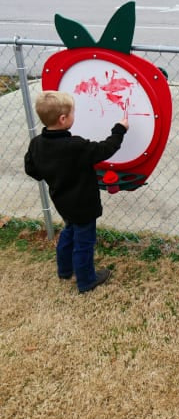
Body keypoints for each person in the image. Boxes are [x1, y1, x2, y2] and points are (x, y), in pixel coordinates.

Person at [24, 90, 128, 293]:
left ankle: (64, 270)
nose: (74, 116)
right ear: (63, 119)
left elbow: (31, 169)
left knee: (69, 231)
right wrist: (119, 130)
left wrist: (52, 174)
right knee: (84, 242)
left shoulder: (36, 143)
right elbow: (105, 149)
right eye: (73, 113)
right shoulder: (75, 146)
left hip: (62, 200)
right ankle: (87, 280)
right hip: (84, 204)